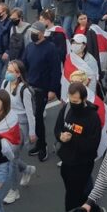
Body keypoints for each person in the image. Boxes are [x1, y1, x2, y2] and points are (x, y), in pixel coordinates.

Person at [55, 81, 103, 212]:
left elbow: (93, 144)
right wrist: (61, 136)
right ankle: (88, 210)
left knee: (74, 195)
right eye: (71, 101)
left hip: (82, 162)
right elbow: (57, 128)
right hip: (66, 160)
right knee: (72, 191)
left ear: (84, 99)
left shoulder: (92, 117)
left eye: (76, 102)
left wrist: (73, 139)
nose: (73, 104)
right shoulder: (66, 109)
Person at [20, 22, 62, 162]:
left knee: (37, 117)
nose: (32, 34)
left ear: (42, 33)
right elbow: (24, 64)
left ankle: (42, 146)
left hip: (42, 89)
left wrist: (52, 90)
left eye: (34, 32)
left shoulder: (50, 49)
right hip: (30, 88)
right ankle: (39, 144)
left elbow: (56, 71)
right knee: (33, 116)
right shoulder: (30, 47)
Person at [2, 60, 37, 201]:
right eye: (8, 70)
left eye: (11, 71)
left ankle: (13, 191)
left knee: (11, 160)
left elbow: (30, 114)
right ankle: (27, 169)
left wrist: (32, 133)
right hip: (7, 123)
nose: (8, 73)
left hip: (20, 126)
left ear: (19, 74)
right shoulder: (5, 84)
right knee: (10, 156)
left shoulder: (25, 90)